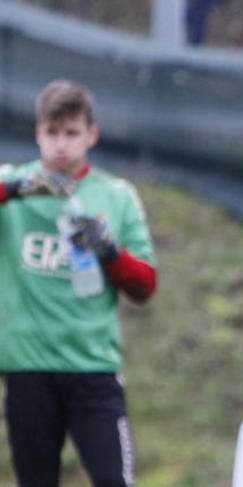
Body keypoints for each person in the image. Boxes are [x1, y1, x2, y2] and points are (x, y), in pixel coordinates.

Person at [0, 80, 157, 486]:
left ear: (92, 135)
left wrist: (109, 251)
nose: (61, 146)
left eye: (71, 133)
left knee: (114, 480)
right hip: (28, 368)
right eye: (52, 133)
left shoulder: (117, 196)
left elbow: (144, 286)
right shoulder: (13, 186)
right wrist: (15, 191)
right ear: (37, 134)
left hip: (93, 368)